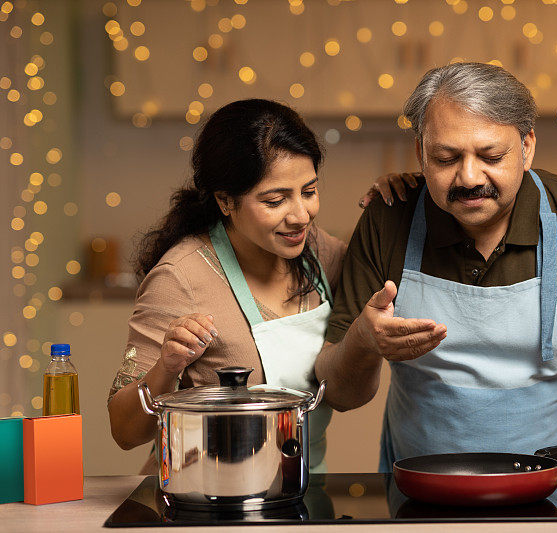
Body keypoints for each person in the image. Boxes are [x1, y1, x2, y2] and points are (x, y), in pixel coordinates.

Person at [315, 63, 557, 473]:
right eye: (446, 158)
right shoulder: (388, 219)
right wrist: (362, 341)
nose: (469, 176)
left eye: (491, 155)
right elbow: (338, 393)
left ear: (527, 146)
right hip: (424, 489)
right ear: (420, 153)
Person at [107, 99, 410, 473]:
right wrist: (167, 368)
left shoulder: (321, 253)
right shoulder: (180, 278)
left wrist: (404, 203)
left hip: (297, 489)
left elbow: (387, 272)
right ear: (225, 201)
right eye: (275, 200)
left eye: (309, 191)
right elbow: (123, 431)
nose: (301, 216)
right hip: (201, 498)